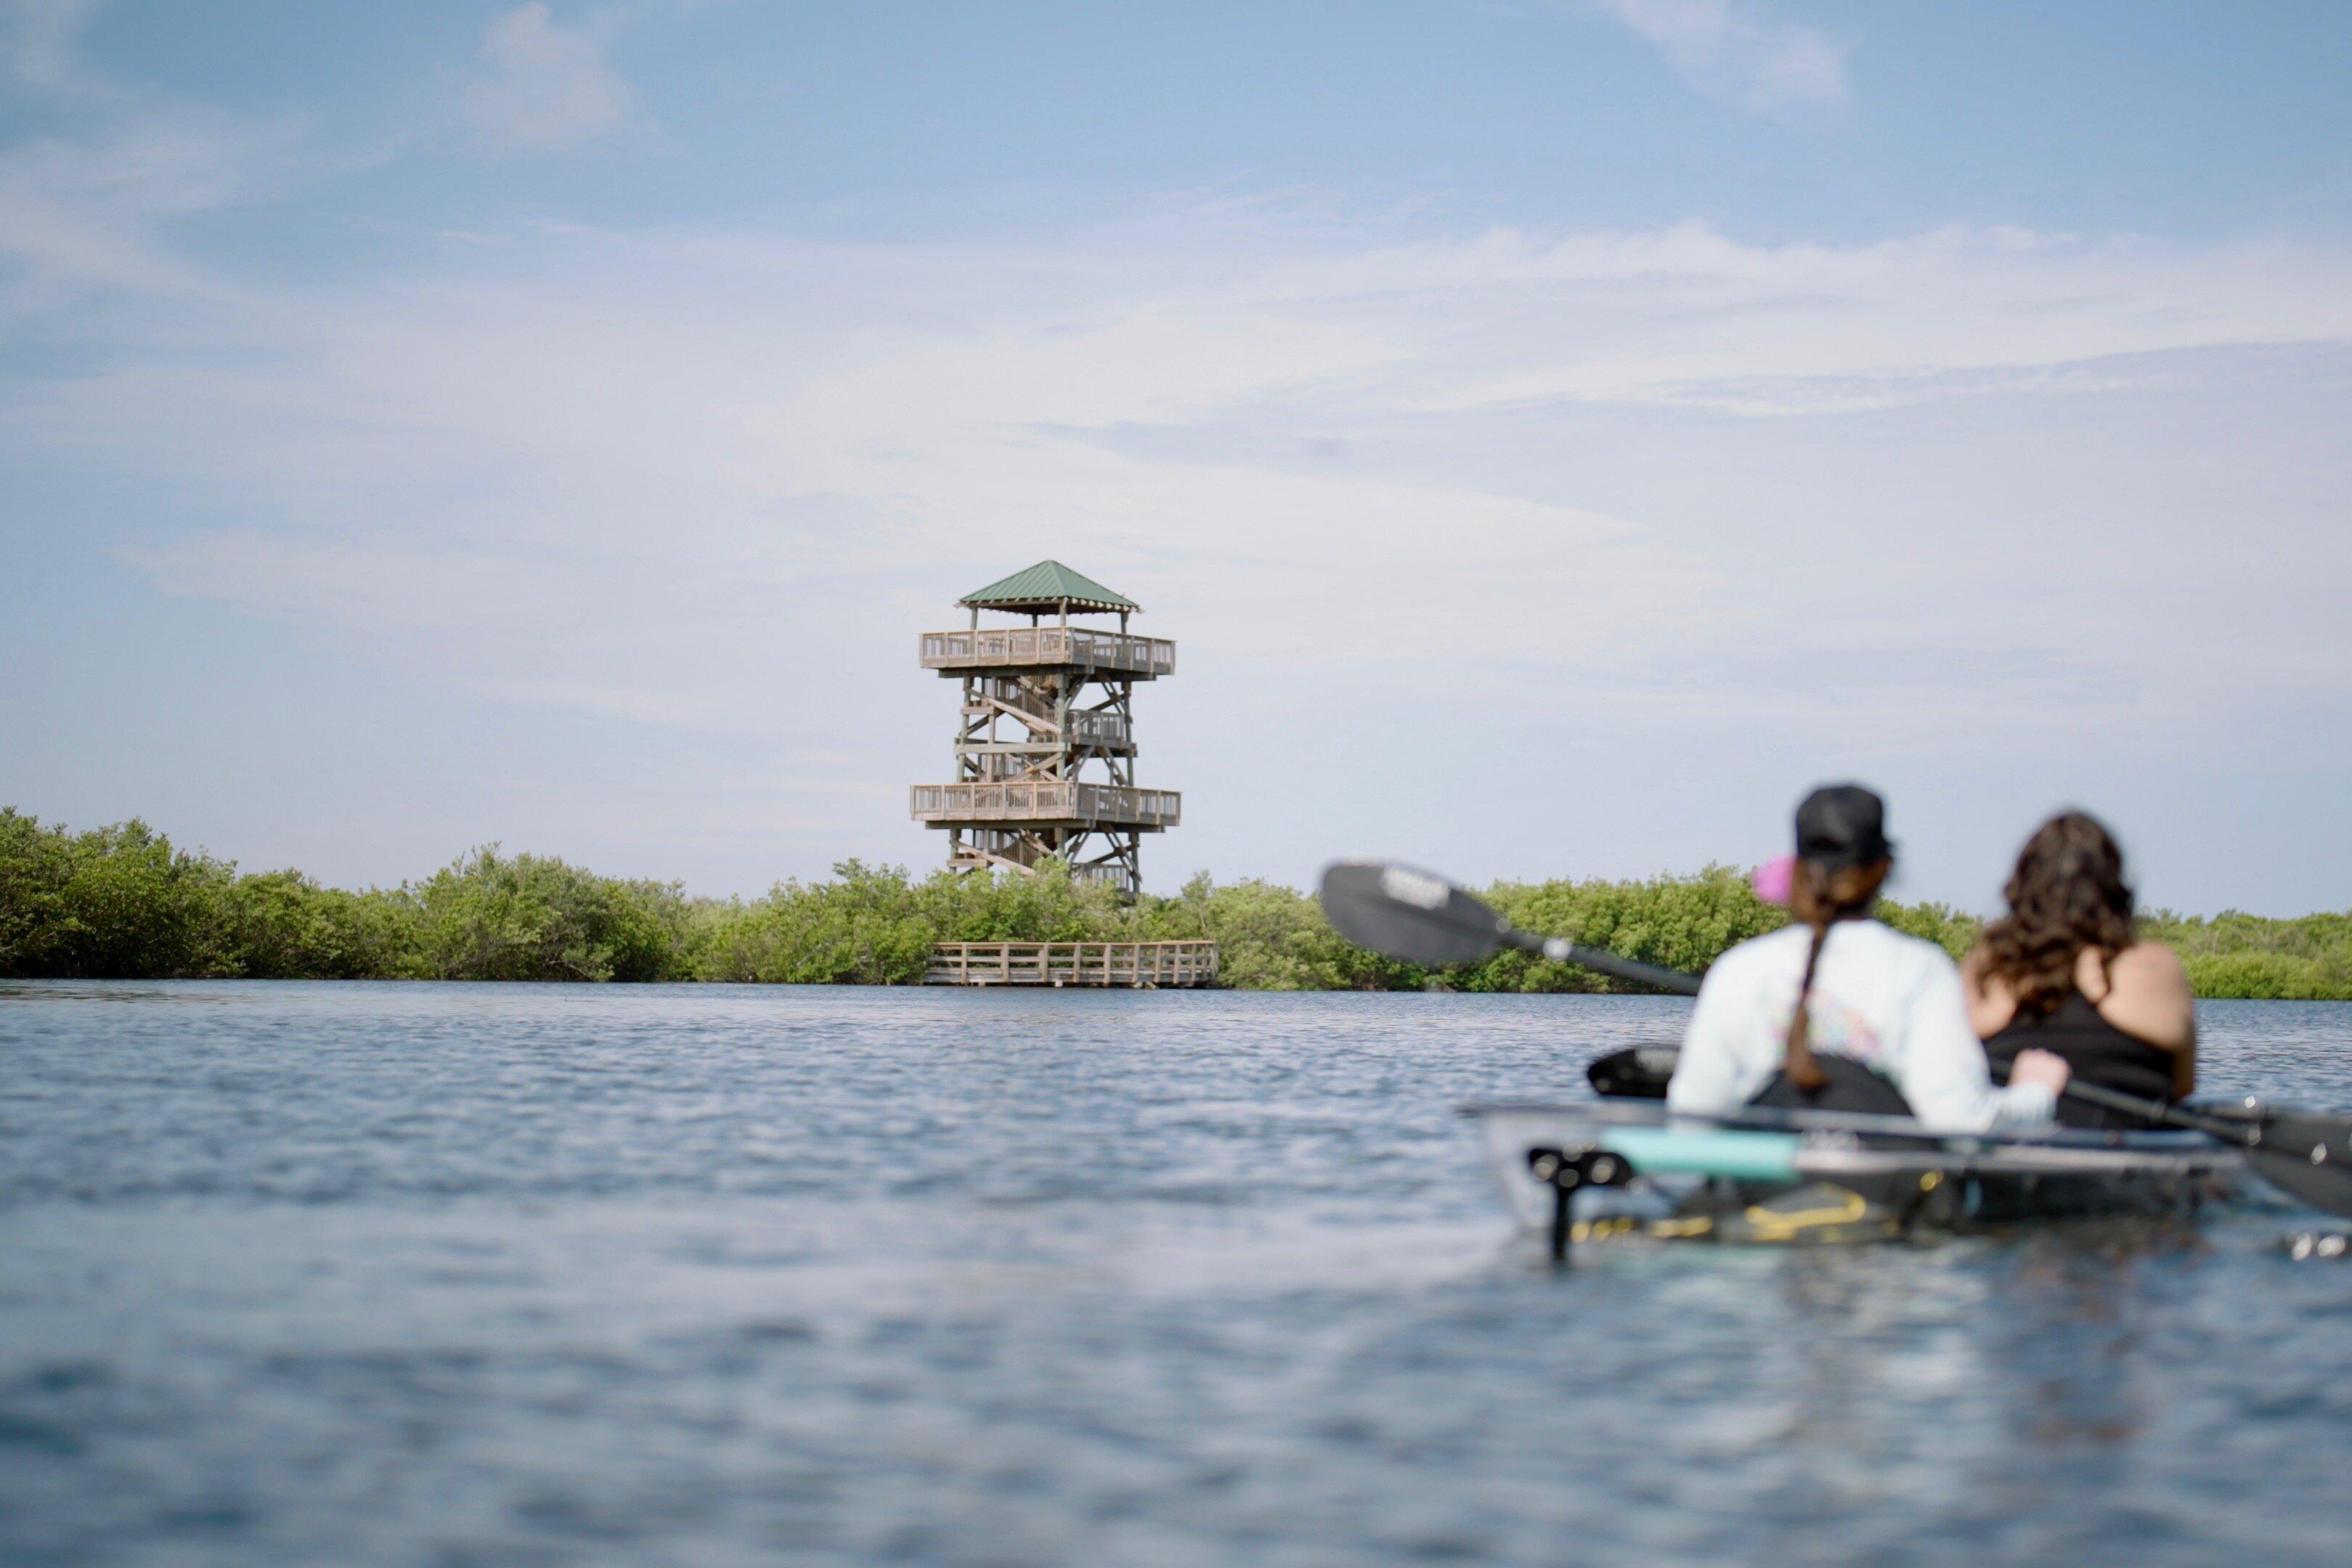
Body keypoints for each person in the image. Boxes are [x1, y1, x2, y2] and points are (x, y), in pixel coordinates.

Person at [1667, 784, 2070, 1132]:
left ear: (1798, 870)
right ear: (1884, 869)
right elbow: (1962, 1123)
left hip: (1760, 1208)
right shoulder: (1922, 970)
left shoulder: (1737, 968)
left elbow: (1691, 1121)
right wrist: (2035, 1093)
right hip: (1886, 1208)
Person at [1963, 812, 2194, 1127]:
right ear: (2113, 888)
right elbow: (2183, 1086)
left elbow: (1959, 1082)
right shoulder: (2155, 966)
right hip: (2134, 1161)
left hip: (2011, 1162)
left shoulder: (1986, 968)